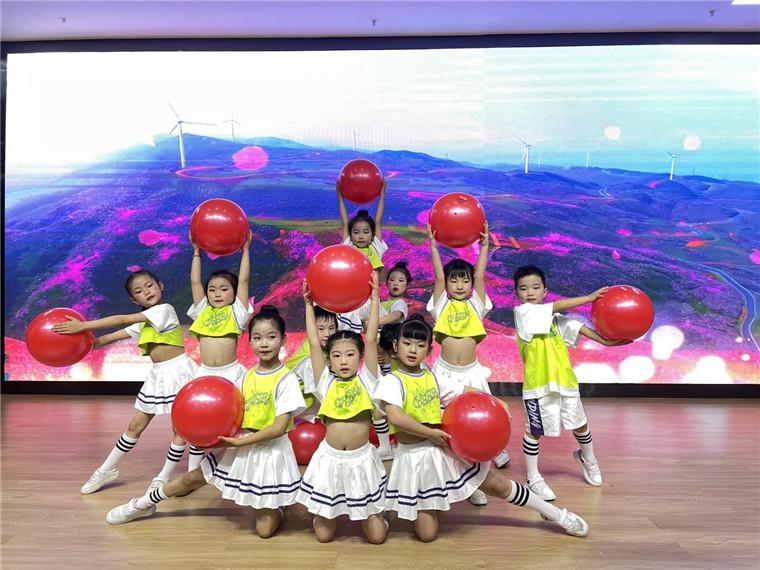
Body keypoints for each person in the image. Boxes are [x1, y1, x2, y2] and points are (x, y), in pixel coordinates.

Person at [374, 316, 590, 542]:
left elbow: (465, 389)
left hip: (442, 450)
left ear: (429, 350)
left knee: (499, 485)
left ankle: (555, 514)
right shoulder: (392, 381)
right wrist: (430, 434)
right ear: (396, 346)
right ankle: (383, 510)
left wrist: (496, 400)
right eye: (407, 343)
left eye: (420, 345)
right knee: (427, 535)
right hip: (414, 459)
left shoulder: (433, 378)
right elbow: (396, 417)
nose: (413, 350)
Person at [105, 306, 306, 539]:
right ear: (249, 341)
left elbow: (279, 428)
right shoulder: (246, 376)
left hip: (270, 452)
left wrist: (239, 443)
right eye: (257, 337)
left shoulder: (287, 379)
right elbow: (231, 414)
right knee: (190, 479)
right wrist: (212, 436)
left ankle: (277, 503)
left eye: (271, 337)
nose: (264, 343)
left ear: (283, 340)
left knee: (264, 531)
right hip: (241, 444)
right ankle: (142, 504)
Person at [53, 269, 199, 494]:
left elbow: (121, 319)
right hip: (158, 376)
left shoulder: (164, 310)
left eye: (149, 285)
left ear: (160, 285)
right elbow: (104, 340)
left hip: (179, 372)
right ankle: (106, 469)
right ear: (134, 300)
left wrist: (83, 326)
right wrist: (71, 343)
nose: (146, 292)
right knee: (135, 426)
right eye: (139, 291)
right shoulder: (142, 324)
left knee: (180, 429)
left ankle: (163, 477)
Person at [513, 265, 632, 501]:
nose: (530, 292)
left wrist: (606, 342)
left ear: (545, 291)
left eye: (535, 287)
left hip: (565, 381)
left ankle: (588, 459)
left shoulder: (554, 320)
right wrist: (588, 298)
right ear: (516, 294)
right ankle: (533, 477)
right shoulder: (522, 312)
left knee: (580, 424)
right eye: (523, 289)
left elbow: (579, 327)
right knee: (534, 430)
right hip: (537, 385)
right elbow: (555, 307)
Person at [296, 275, 388, 544]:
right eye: (336, 355)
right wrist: (308, 305)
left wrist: (374, 299)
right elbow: (314, 343)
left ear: (360, 357)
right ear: (329, 359)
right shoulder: (324, 382)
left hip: (362, 460)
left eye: (350, 355)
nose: (344, 361)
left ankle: (379, 512)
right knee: (323, 537)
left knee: (377, 538)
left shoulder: (368, 380)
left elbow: (370, 339)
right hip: (330, 460)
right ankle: (323, 510)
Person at [426, 222, 510, 506]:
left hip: (472, 374)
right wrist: (434, 247)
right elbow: (438, 277)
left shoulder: (476, 305)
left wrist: (484, 247)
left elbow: (481, 275)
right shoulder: (440, 305)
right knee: (447, 425)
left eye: (465, 281)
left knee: (477, 426)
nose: (459, 285)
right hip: (444, 373)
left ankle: (475, 482)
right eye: (454, 281)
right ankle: (454, 479)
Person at [185, 231, 254, 470]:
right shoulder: (202, 311)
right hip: (204, 373)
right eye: (212, 289)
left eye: (224, 289)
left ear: (233, 293)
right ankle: (193, 470)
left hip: (230, 374)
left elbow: (243, 281)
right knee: (197, 419)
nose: (217, 293)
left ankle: (232, 467)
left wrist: (246, 250)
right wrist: (196, 252)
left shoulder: (237, 312)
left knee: (235, 420)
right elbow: (195, 282)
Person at [335, 179, 387, 333]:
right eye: (356, 232)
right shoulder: (349, 248)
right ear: (351, 235)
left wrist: (382, 194)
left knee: (376, 339)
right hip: (352, 302)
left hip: (372, 302)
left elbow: (378, 221)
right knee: (350, 338)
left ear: (372, 235)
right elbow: (345, 222)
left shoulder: (376, 247)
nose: (361, 236)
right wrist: (340, 197)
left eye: (366, 232)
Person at [284, 305, 338, 423]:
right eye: (321, 329)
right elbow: (325, 396)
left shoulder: (328, 352)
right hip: (285, 412)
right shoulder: (308, 361)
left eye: (332, 328)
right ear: (310, 329)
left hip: (304, 408)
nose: (327, 334)